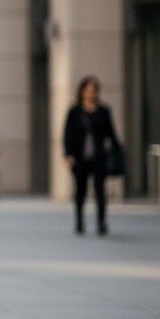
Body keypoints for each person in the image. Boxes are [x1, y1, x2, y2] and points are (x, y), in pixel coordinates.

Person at [62, 76, 121, 236]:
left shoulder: (104, 111)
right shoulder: (74, 112)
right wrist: (68, 154)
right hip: (79, 158)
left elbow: (111, 133)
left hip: (98, 157)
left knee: (100, 191)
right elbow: (67, 134)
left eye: (93, 91)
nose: (90, 93)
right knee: (80, 190)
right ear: (81, 92)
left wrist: (117, 152)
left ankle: (101, 222)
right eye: (87, 90)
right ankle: (79, 220)